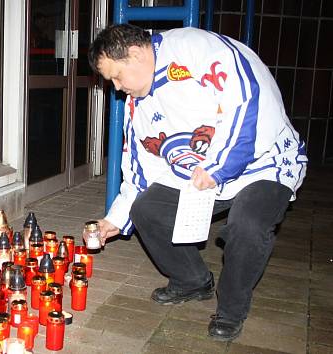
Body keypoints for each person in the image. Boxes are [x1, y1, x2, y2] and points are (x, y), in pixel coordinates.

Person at [87, 24, 307, 341]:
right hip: (201, 174)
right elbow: (139, 169)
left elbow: (245, 102)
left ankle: (231, 310)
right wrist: (114, 219)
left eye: (117, 77)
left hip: (264, 163)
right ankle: (192, 280)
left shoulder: (196, 50)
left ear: (135, 54)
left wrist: (219, 168)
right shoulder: (139, 104)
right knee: (146, 209)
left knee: (247, 225)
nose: (118, 88)